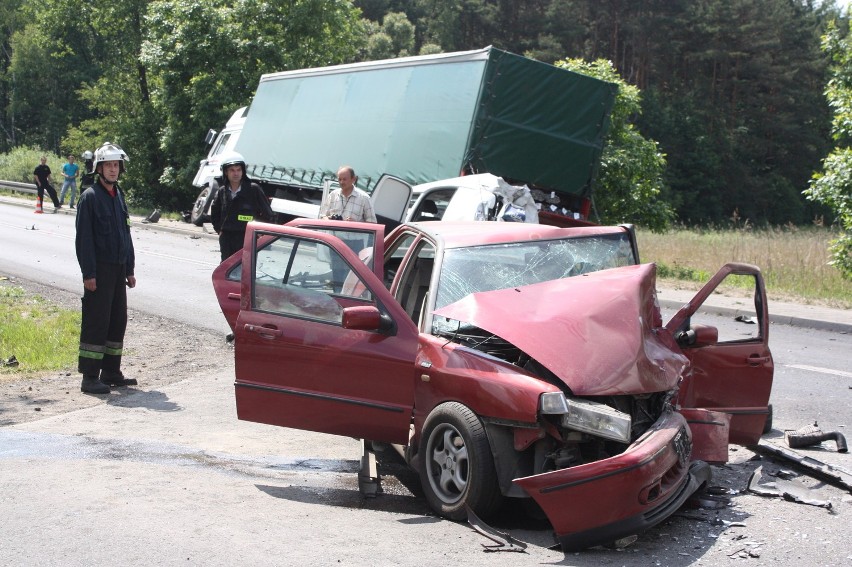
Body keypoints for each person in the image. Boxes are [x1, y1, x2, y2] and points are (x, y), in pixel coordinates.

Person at [75, 142, 137, 394]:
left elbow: (126, 232)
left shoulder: (118, 195)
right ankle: (90, 377)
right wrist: (88, 273)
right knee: (96, 322)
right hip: (99, 270)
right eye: (108, 165)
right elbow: (84, 240)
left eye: (116, 165)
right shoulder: (90, 197)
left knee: (116, 321)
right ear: (99, 168)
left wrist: (130, 268)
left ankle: (111, 371)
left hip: (118, 268)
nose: (113, 169)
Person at [210, 151, 274, 262]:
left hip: (247, 238)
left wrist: (260, 233)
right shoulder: (222, 191)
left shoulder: (253, 189)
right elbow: (215, 213)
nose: (236, 173)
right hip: (227, 239)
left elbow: (269, 215)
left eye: (239, 170)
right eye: (232, 170)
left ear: (243, 171)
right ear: (226, 172)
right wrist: (219, 230)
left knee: (245, 270)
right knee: (226, 268)